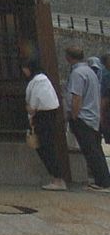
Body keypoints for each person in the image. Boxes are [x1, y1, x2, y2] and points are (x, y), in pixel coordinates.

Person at [64, 48, 110, 191]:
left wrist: (74, 115)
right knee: (96, 149)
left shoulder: (77, 73)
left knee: (91, 150)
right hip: (92, 115)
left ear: (68, 57)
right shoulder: (90, 71)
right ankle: (104, 179)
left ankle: (102, 181)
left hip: (83, 116)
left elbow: (76, 97)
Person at [22, 57, 65, 191]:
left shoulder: (39, 81)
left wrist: (31, 112)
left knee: (46, 148)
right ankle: (56, 177)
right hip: (46, 116)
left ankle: (57, 178)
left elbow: (34, 102)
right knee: (46, 147)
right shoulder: (42, 79)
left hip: (42, 116)